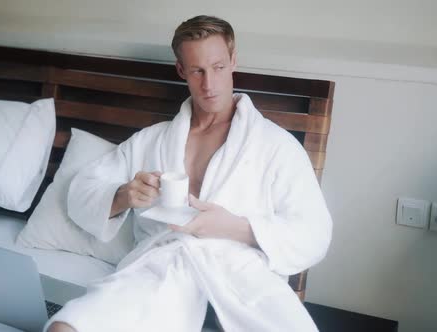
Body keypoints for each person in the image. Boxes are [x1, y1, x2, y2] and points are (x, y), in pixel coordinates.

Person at [47, 15, 332, 332]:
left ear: (233, 60)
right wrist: (122, 196)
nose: (209, 84)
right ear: (181, 70)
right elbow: (82, 191)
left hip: (240, 275)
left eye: (218, 67)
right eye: (197, 70)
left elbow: (315, 233)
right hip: (162, 268)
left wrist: (237, 227)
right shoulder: (152, 140)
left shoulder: (275, 145)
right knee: (65, 328)